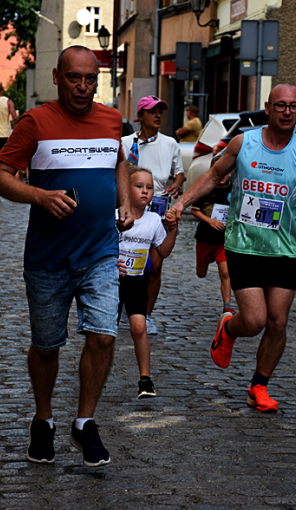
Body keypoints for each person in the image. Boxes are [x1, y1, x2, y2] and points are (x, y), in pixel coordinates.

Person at [0, 45, 134, 467]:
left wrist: (125, 201)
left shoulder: (110, 120)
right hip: (48, 259)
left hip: (101, 251)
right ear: (56, 77)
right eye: (74, 78)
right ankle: (44, 419)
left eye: (91, 79)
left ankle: (85, 423)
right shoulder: (36, 122)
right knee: (47, 346)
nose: (83, 87)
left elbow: (119, 161)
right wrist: (39, 196)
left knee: (104, 334)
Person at [166, 84, 296, 412]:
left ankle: (259, 386)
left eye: (293, 106)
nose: (286, 111)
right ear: (268, 107)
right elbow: (212, 176)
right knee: (254, 321)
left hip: (281, 250)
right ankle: (229, 327)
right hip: (243, 245)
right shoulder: (244, 142)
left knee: (278, 323)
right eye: (280, 105)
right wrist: (182, 202)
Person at [121, 95, 184, 335]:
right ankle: (121, 308)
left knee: (155, 265)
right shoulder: (125, 143)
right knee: (126, 261)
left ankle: (145, 315)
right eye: (152, 111)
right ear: (140, 116)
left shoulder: (170, 144)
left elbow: (179, 173)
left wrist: (177, 184)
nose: (158, 115)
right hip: (130, 209)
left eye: (161, 111)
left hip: (157, 209)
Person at [117, 164, 178, 399]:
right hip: (112, 282)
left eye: (150, 188)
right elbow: (99, 245)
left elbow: (162, 251)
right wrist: (113, 263)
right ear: (125, 189)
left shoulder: (154, 220)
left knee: (139, 327)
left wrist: (172, 231)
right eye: (139, 186)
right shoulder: (115, 215)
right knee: (102, 335)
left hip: (136, 282)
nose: (145, 191)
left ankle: (145, 380)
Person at [190, 171, 233, 314]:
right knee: (201, 273)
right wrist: (210, 221)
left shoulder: (234, 189)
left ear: (230, 173)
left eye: (226, 173)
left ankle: (227, 306)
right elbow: (194, 210)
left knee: (225, 272)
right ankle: (203, 264)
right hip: (205, 237)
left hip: (224, 239)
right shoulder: (206, 188)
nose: (223, 176)